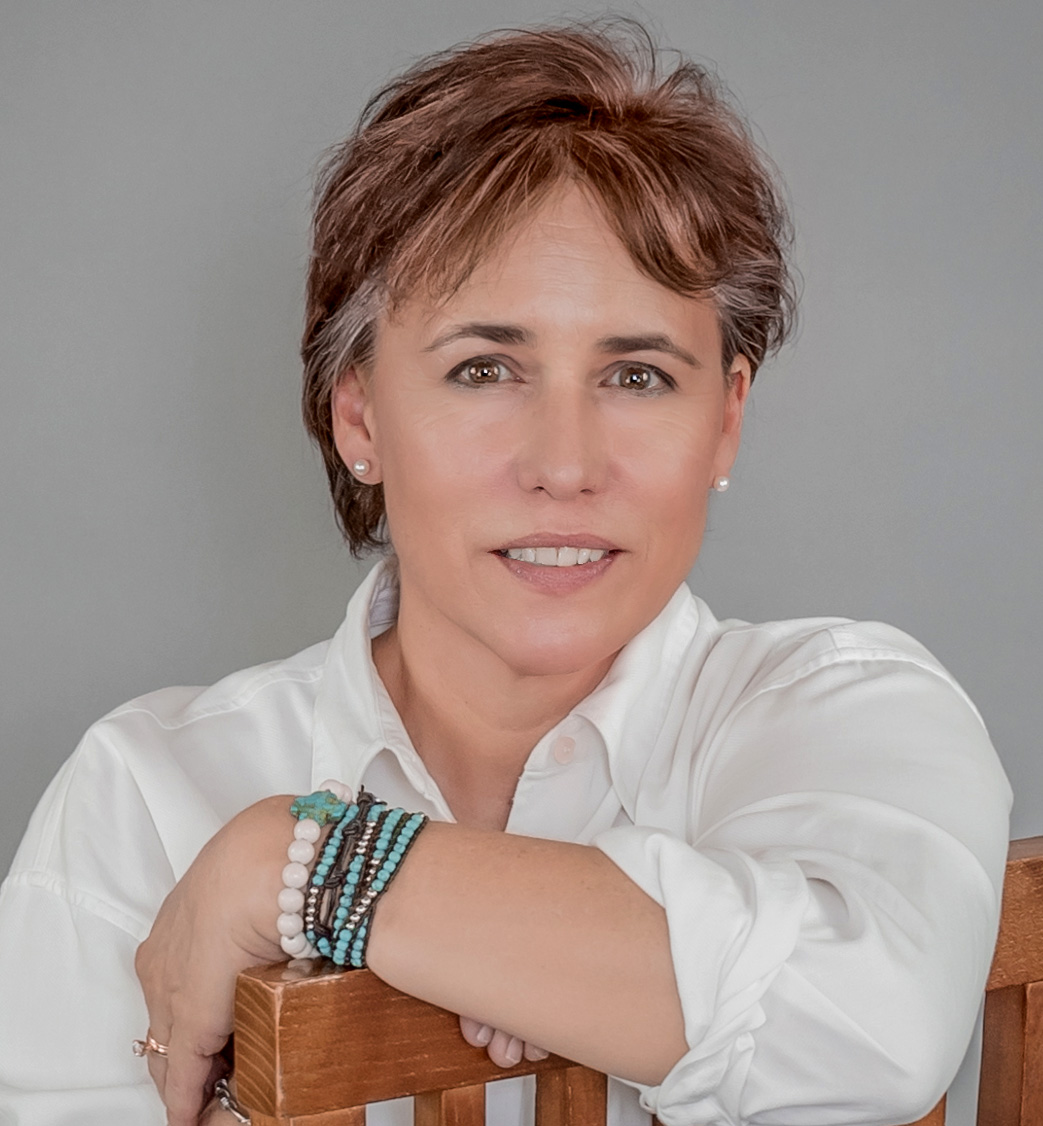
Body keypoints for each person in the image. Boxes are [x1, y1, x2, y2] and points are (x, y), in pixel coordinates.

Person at [0, 19, 1011, 1126]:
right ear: (358, 417)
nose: (564, 465)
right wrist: (522, 938)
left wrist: (311, 864)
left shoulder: (846, 714)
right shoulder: (149, 797)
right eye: (483, 369)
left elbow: (871, 1028)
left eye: (636, 375)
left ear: (725, 419)